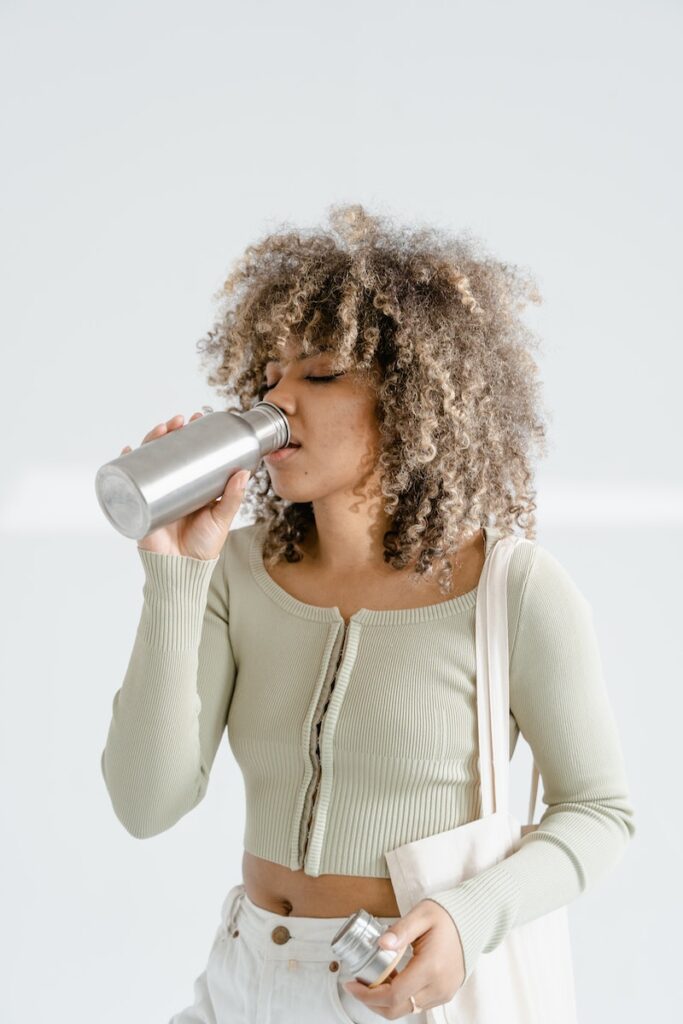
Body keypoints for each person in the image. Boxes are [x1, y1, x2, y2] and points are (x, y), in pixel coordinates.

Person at [101, 204, 636, 1023]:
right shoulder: (235, 574)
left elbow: (599, 812)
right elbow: (147, 804)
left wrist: (468, 916)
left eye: (317, 375)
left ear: (411, 400)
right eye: (269, 374)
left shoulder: (511, 589)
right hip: (243, 978)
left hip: (398, 987)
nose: (277, 400)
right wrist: (175, 575)